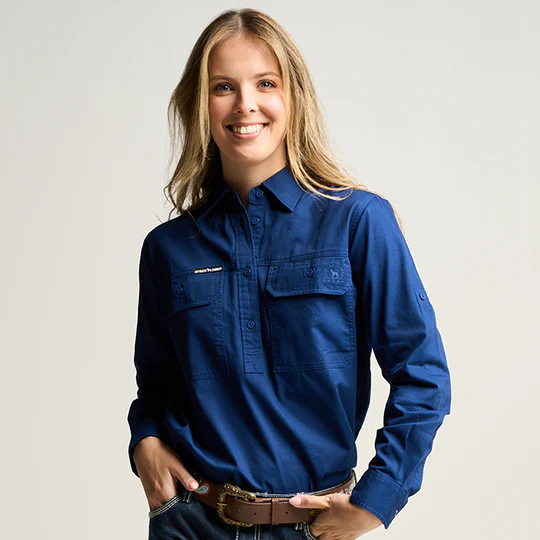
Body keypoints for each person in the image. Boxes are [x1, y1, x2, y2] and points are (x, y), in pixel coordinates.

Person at [127, 8, 452, 540]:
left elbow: (423, 372)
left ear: (293, 96)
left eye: (265, 83)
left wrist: (379, 497)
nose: (245, 104)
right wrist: (144, 438)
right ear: (200, 104)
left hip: (314, 526)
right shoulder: (167, 248)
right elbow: (156, 383)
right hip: (191, 522)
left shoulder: (358, 222)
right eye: (223, 87)